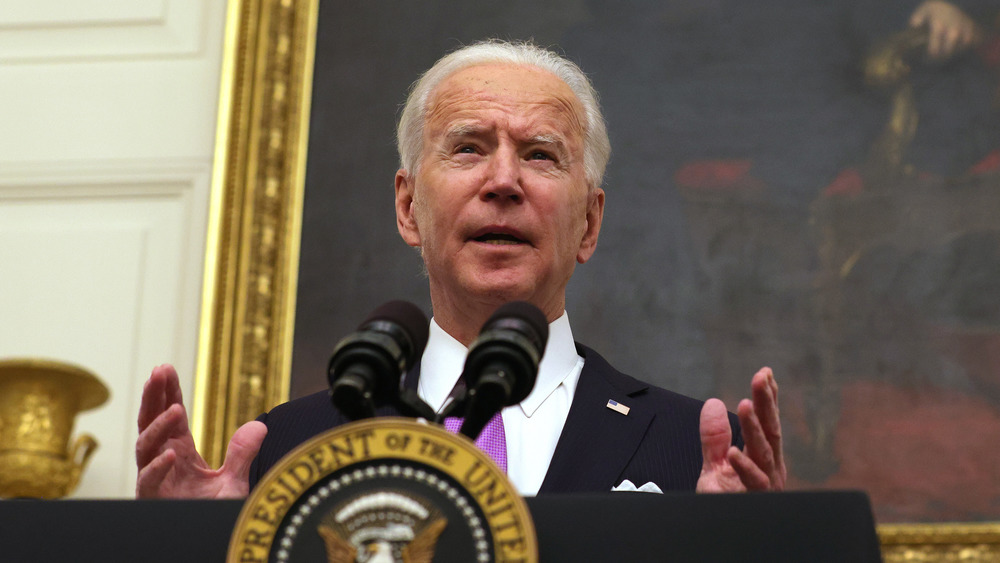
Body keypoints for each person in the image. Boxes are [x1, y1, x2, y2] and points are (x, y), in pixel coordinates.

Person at [136, 40, 785, 499]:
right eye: (469, 147)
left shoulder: (697, 450)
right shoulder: (288, 448)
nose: (503, 180)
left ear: (588, 222)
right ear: (408, 205)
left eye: (539, 154)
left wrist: (750, 549)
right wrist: (190, 550)